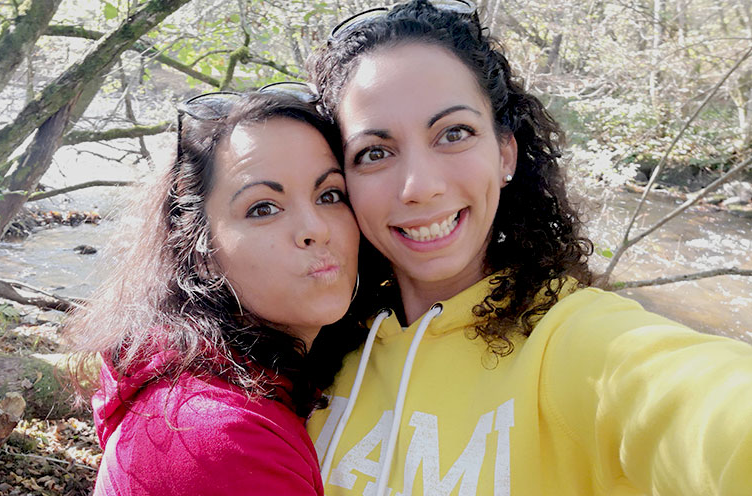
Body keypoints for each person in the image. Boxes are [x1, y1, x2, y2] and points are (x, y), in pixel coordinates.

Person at [304, 1, 752, 495]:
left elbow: (711, 410)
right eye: (374, 153)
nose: (420, 186)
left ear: (505, 155)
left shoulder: (575, 345)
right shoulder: (320, 343)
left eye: (453, 134)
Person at [65, 87, 364, 495]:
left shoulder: (233, 381)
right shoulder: (215, 439)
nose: (316, 228)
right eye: (263, 208)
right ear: (200, 249)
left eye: (329, 195)